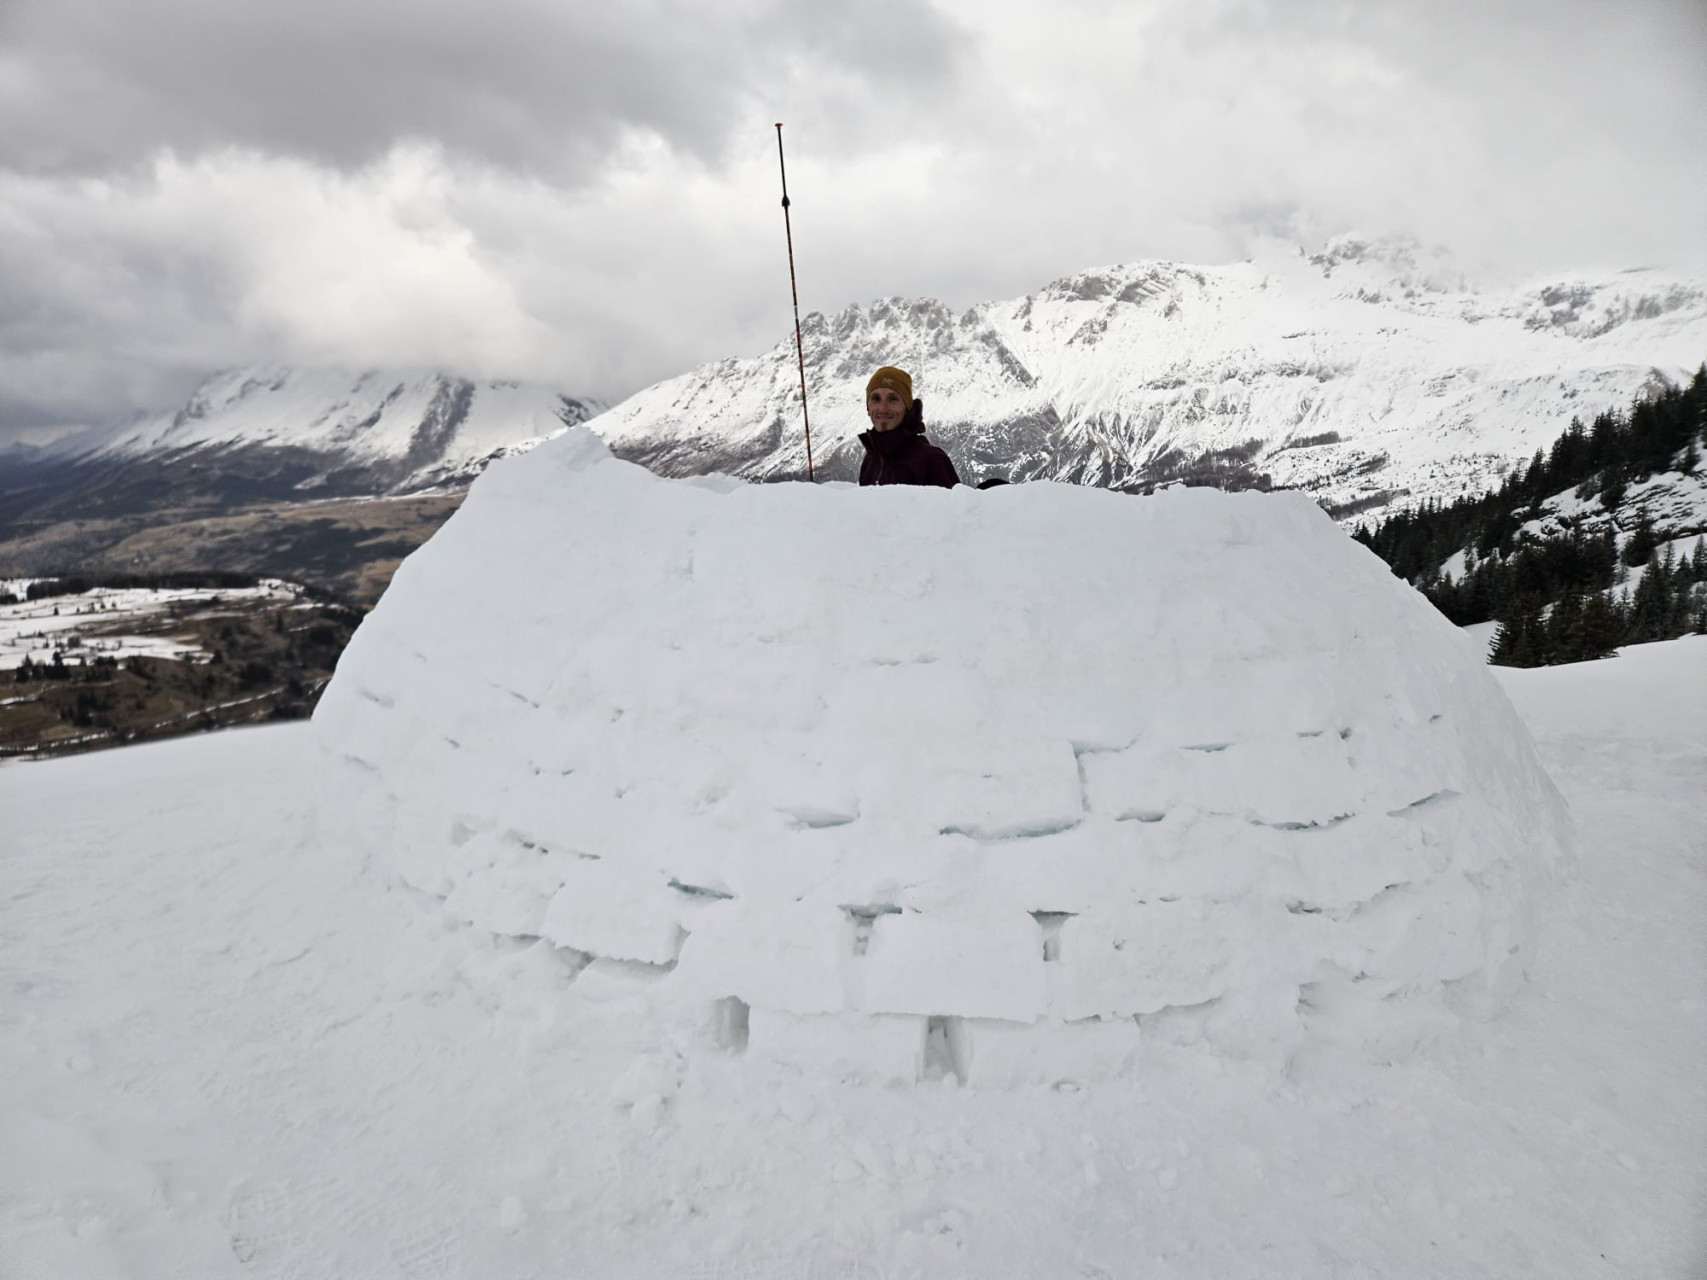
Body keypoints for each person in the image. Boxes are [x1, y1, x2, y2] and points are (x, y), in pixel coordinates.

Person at [857, 366, 959, 488]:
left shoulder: (931, 460)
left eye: (893, 399)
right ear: (868, 408)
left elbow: (955, 506)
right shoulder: (871, 459)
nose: (883, 408)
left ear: (907, 407)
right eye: (876, 399)